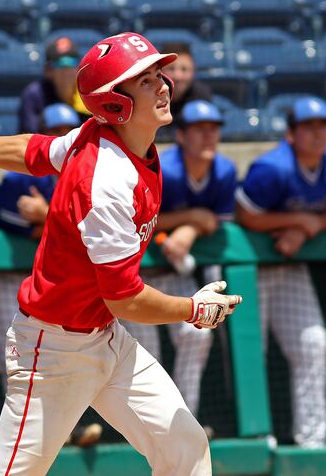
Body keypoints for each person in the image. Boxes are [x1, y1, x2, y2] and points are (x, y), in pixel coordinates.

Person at [0, 32, 242, 476]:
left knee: (184, 447)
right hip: (53, 349)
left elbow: (35, 150)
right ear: (115, 103)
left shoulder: (104, 137)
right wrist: (193, 310)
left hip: (105, 336)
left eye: (158, 74)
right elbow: (125, 299)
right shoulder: (107, 178)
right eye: (145, 81)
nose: (164, 85)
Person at [0, 102, 102, 447]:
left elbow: (81, 229)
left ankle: (61, 431)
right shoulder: (19, 177)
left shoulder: (85, 173)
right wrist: (51, 219)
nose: (62, 137)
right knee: (15, 359)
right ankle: (24, 440)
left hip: (39, 276)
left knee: (60, 355)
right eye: (54, 131)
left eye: (67, 131)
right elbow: (54, 232)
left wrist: (45, 213)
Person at [235, 96, 326, 448]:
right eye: (308, 127)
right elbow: (246, 216)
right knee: (248, 350)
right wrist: (297, 219)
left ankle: (312, 441)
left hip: (290, 267)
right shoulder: (272, 168)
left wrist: (306, 229)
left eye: (323, 126)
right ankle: (256, 437)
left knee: (314, 343)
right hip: (249, 267)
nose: (318, 134)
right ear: (291, 134)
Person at [138, 100, 237, 418]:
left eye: (214, 129)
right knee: (143, 354)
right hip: (133, 273)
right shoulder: (163, 169)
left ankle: (184, 421)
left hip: (171, 270)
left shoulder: (224, 170)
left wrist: (190, 227)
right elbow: (134, 218)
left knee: (197, 335)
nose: (209, 136)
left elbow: (216, 222)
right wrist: (188, 219)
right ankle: (144, 433)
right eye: (199, 130)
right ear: (181, 136)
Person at [18, 36, 90, 133]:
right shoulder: (34, 94)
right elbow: (29, 134)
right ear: (47, 70)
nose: (66, 68)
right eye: (60, 63)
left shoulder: (87, 94)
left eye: (72, 62)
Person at [157, 42, 213, 140]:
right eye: (171, 69)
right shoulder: (151, 95)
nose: (178, 76)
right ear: (160, 71)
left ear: (193, 72)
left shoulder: (202, 97)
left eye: (184, 69)